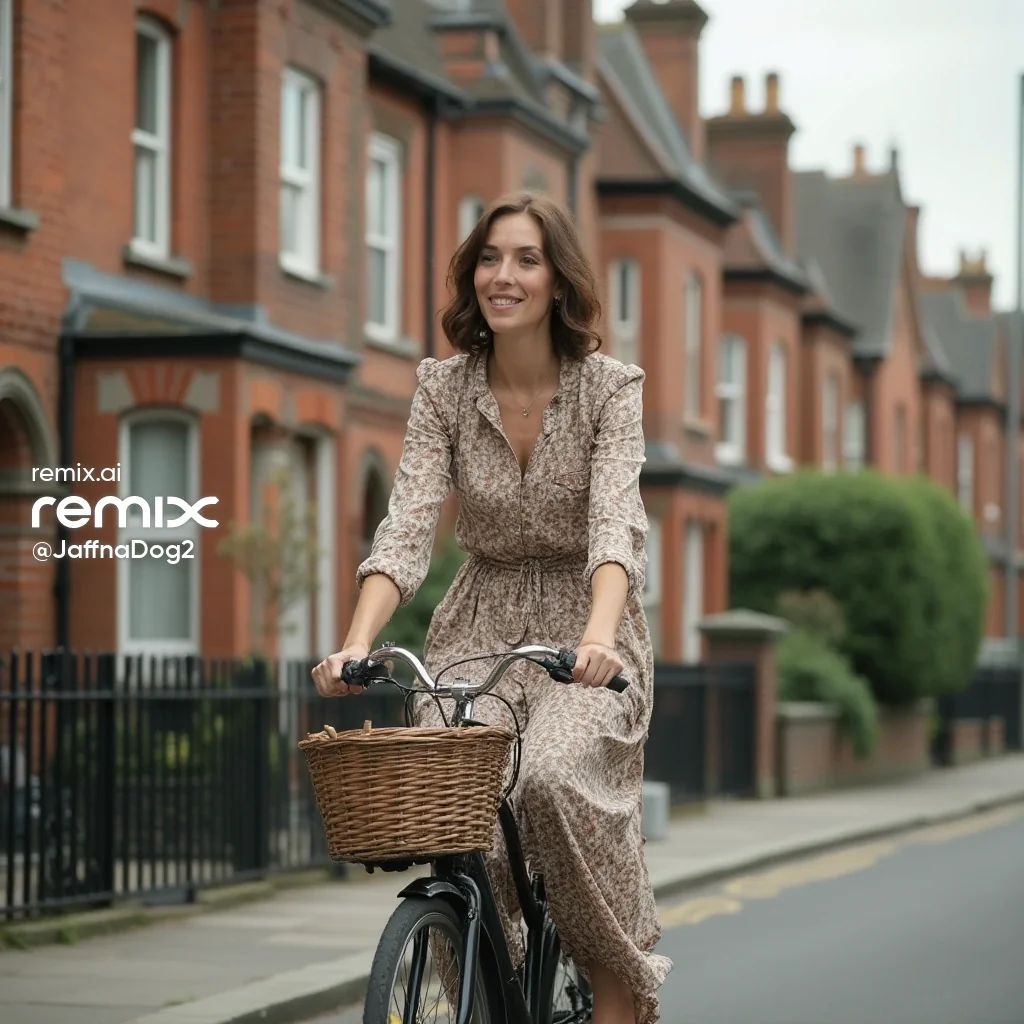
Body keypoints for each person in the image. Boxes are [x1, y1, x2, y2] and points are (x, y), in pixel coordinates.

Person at [312, 191, 671, 1024]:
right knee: (451, 796)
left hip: (588, 626)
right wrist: (355, 643)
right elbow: (405, 525)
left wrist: (597, 638)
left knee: (547, 777)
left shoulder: (609, 388)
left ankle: (616, 983)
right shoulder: (442, 388)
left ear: (558, 283)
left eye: (525, 259)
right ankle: (487, 975)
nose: (501, 276)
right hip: (477, 622)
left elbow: (617, 523)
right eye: (488, 257)